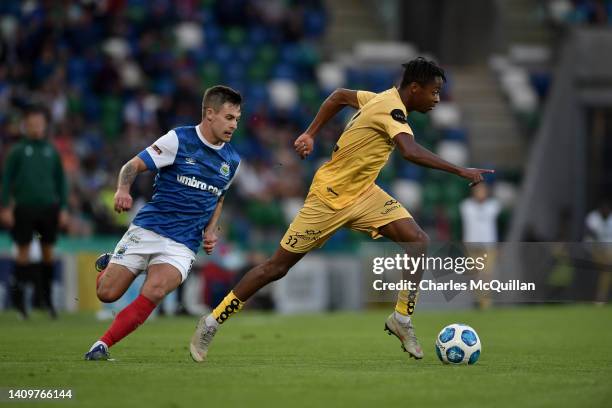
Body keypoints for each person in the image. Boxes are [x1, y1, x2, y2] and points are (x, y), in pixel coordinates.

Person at [189, 57, 494, 362]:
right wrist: (460, 170)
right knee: (276, 268)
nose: (437, 99)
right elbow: (410, 151)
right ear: (415, 88)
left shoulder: (378, 99)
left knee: (418, 240)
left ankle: (401, 318)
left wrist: (310, 132)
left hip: (364, 194)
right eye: (434, 91)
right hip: (328, 199)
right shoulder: (391, 110)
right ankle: (212, 322)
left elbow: (339, 96)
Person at [84, 85, 242, 360]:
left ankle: (102, 344)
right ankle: (113, 263)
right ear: (210, 114)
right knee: (107, 293)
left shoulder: (232, 160)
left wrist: (210, 230)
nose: (234, 125)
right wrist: (123, 190)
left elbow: (219, 197)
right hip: (149, 227)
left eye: (237, 119)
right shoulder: (178, 140)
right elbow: (132, 166)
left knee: (155, 290)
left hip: (183, 242)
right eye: (229, 118)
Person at [0, 105, 68, 319]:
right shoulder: (18, 151)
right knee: (23, 253)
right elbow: (6, 180)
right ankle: (20, 303)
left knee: (48, 253)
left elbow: (61, 181)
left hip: (48, 208)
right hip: (24, 208)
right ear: (26, 126)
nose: (36, 128)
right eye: (32, 124)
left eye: (39, 124)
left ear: (45, 125)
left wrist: (63, 207)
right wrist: (5, 207)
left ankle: (45, 301)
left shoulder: (51, 150)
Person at [459, 182, 501, 309]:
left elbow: (501, 225)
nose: (480, 193)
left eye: (482, 191)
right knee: (474, 274)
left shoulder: (493, 206)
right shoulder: (466, 206)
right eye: (478, 191)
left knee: (487, 273)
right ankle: (477, 299)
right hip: (472, 246)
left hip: (488, 245)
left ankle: (485, 301)